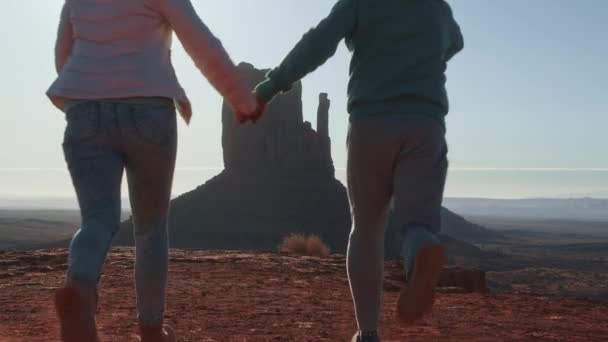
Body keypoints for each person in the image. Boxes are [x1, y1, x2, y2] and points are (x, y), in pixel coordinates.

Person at [48, 0, 262, 341]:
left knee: (97, 221)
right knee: (150, 228)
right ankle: (151, 329)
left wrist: (83, 96)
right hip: (149, 110)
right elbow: (201, 42)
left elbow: (64, 54)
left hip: (85, 112)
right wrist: (242, 100)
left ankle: (80, 287)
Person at [253, 0, 463, 341]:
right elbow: (454, 42)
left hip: (371, 123)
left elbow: (318, 42)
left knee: (366, 230)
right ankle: (420, 253)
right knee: (417, 225)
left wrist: (271, 85)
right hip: (425, 125)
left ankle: (367, 333)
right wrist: (418, 57)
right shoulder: (437, 6)